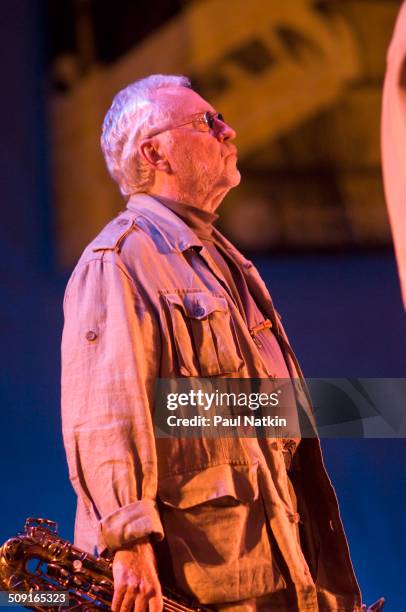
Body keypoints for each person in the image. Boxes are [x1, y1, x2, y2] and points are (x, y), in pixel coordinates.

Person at [61, 74, 362, 611]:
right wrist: (128, 541)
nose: (229, 131)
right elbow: (107, 412)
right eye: (208, 122)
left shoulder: (223, 261)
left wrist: (379, 407)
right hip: (200, 579)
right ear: (155, 152)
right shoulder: (119, 262)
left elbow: (226, 411)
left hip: (276, 563)